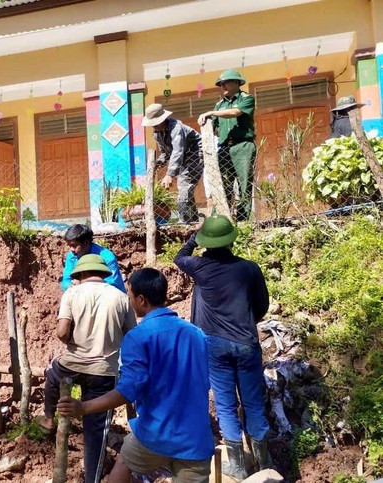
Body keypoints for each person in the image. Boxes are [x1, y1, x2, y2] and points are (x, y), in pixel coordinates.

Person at [58, 268, 215, 483]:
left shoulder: (138, 336)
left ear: (142, 300)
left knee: (125, 462)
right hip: (195, 438)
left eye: (130, 296)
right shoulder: (196, 334)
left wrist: (83, 407)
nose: (129, 301)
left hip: (156, 433)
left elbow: (128, 390)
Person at [174, 215, 271, 480]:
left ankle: (238, 467)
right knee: (253, 403)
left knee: (226, 405)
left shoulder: (200, 267)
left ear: (206, 242)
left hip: (214, 345)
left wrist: (194, 237)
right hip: (246, 343)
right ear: (231, 240)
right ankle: (265, 464)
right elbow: (262, 306)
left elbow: (179, 257)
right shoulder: (249, 268)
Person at [37, 254, 135, 483]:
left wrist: (73, 341)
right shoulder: (121, 297)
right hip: (104, 371)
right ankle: (91, 477)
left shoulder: (72, 293)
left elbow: (62, 332)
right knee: (96, 429)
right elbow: (131, 334)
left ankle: (49, 418)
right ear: (103, 274)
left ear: (80, 274)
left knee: (52, 374)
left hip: (72, 364)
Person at [198, 69, 256, 222]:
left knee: (244, 184)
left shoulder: (246, 98)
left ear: (236, 83)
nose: (222, 86)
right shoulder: (219, 105)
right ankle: (223, 219)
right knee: (223, 184)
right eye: (220, 84)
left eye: (225, 83)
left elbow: (236, 112)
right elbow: (213, 126)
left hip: (243, 146)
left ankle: (243, 219)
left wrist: (211, 113)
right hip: (224, 148)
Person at [143, 103, 203, 224]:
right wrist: (156, 166)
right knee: (186, 190)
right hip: (182, 159)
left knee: (184, 185)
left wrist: (169, 174)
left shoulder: (176, 128)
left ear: (163, 119)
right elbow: (166, 153)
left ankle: (183, 222)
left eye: (155, 123)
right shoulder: (157, 133)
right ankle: (193, 221)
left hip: (195, 155)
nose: (153, 126)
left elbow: (178, 150)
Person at [61, 224, 125, 293]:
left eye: (74, 246)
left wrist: (83, 287)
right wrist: (70, 287)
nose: (71, 249)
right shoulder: (72, 256)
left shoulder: (107, 258)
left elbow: (111, 285)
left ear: (85, 243)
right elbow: (66, 281)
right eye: (69, 246)